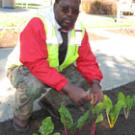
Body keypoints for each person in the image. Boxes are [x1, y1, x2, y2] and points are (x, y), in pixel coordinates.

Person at [6, 0, 103, 132]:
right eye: (65, 9)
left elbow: (87, 60)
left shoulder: (79, 29)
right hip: (23, 69)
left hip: (54, 68)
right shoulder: (38, 23)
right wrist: (68, 88)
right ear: (55, 5)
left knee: (85, 80)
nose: (70, 15)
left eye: (75, 11)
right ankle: (20, 118)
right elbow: (35, 63)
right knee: (34, 84)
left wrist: (95, 84)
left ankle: (50, 103)